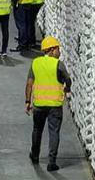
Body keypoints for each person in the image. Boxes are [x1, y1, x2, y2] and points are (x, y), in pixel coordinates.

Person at [25, 36, 71, 172]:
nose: (59, 52)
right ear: (51, 50)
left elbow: (29, 84)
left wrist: (28, 101)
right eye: (58, 49)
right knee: (54, 132)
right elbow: (68, 80)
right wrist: (67, 88)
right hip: (55, 105)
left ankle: (34, 155)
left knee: (37, 130)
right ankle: (52, 162)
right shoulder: (58, 64)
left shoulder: (35, 63)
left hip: (39, 104)